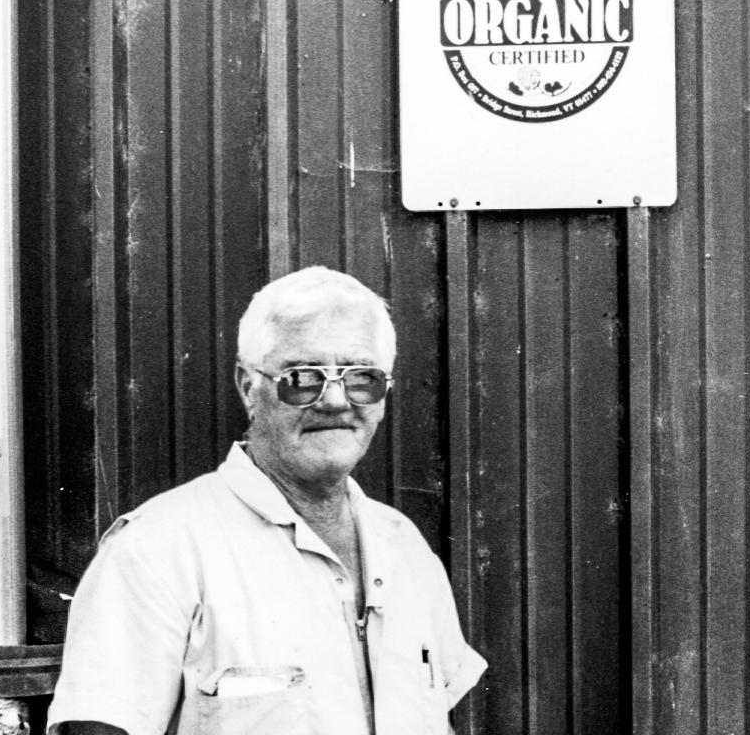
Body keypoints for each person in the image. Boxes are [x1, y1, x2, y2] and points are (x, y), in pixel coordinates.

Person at [48, 265, 486, 735]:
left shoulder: (405, 548)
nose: (336, 400)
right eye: (302, 377)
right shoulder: (157, 550)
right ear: (248, 387)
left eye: (362, 377)